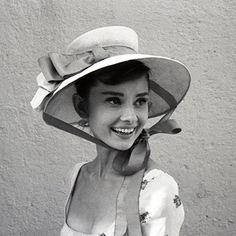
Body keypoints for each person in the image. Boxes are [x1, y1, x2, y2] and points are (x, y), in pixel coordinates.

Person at [31, 26, 191, 236]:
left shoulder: (156, 190)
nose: (131, 117)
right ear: (83, 107)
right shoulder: (77, 175)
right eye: (114, 100)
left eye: (140, 101)